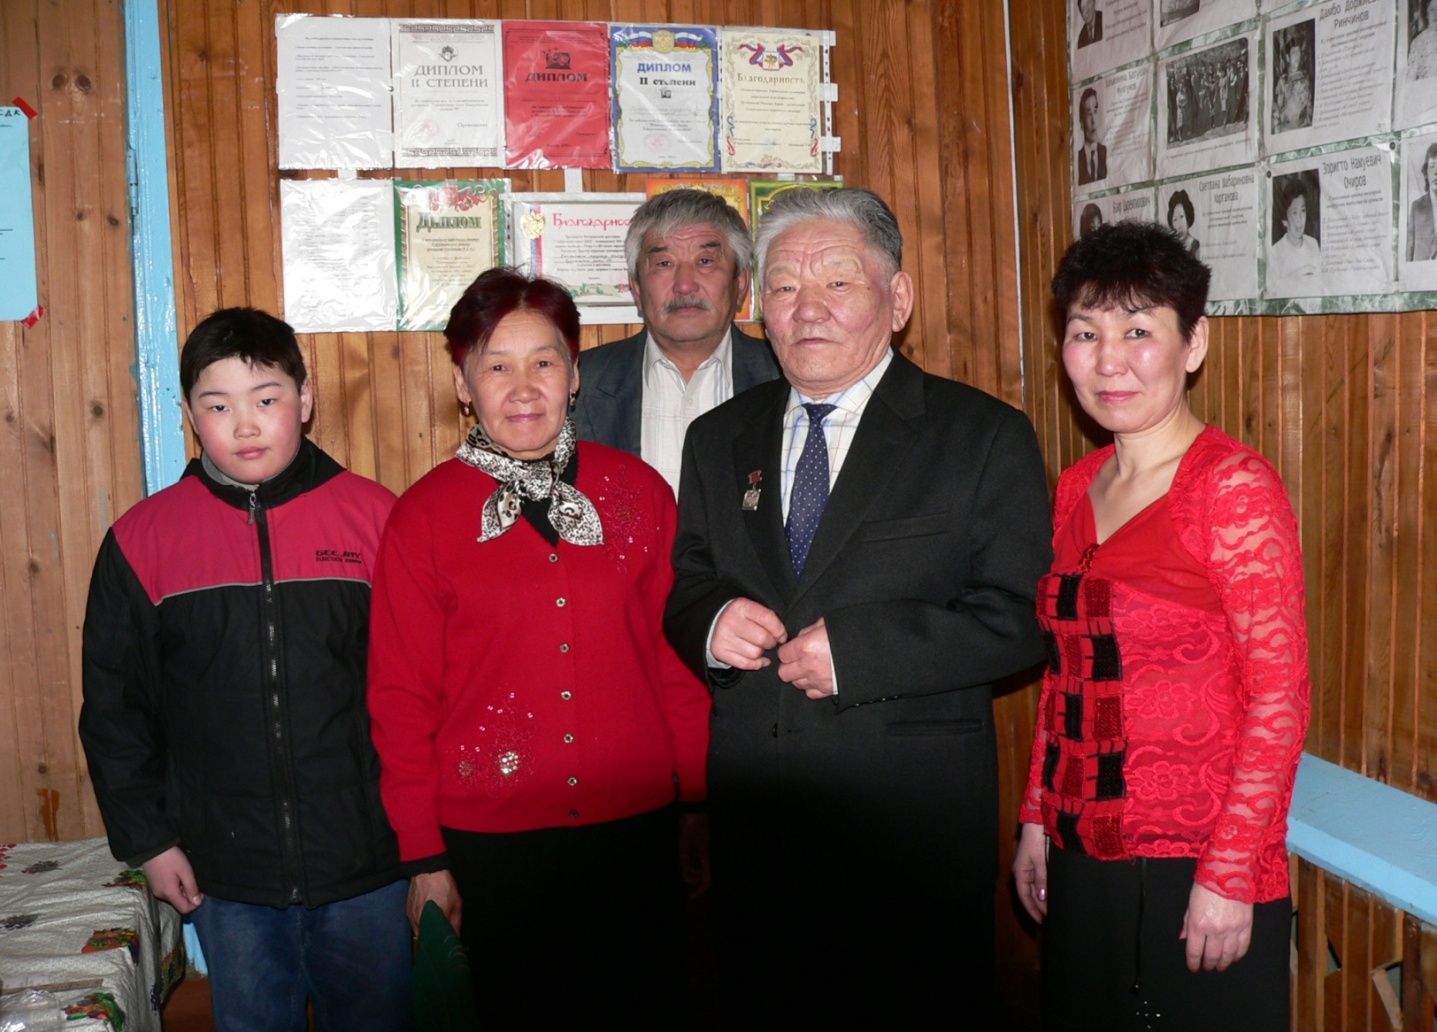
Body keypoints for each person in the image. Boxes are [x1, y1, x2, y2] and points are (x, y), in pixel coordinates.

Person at [664, 187, 1053, 1024]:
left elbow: (1020, 617)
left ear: (897, 298)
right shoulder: (717, 438)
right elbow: (688, 579)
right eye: (782, 286)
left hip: (906, 838)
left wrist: (863, 651)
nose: (806, 308)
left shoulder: (981, 435)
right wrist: (707, 622)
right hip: (760, 833)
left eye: (836, 281)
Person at [368, 268, 710, 1023]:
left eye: (544, 361)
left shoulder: (640, 494)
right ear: (464, 384)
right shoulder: (423, 518)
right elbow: (399, 698)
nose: (522, 387)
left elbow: (675, 666)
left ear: (575, 374)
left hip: (635, 832)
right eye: (496, 365)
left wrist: (696, 804)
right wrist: (424, 858)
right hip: (491, 847)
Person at [1013, 222, 1309, 1032]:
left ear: (1193, 343)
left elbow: (1278, 700)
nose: (1108, 361)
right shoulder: (1076, 485)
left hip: (1194, 863)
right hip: (1080, 851)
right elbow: (1063, 671)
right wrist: (1038, 814)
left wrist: (1230, 874)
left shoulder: (1233, 489)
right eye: (1085, 332)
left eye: (1138, 330)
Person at [79, 308, 410, 1032]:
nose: (247, 425)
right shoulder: (142, 540)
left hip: (368, 864)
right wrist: (149, 841)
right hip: (226, 875)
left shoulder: (378, 520)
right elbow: (114, 708)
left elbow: (421, 695)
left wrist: (428, 847)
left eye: (267, 399)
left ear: (306, 397)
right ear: (189, 415)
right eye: (218, 406)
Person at [573, 189, 779, 493]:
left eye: (706, 261)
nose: (684, 284)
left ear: (741, 285)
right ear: (637, 289)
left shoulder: (786, 379)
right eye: (664, 264)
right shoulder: (579, 384)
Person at [1268, 178, 1321, 296]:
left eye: (1303, 211)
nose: (1300, 219)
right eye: (1294, 213)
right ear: (1284, 221)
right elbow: (1272, 295)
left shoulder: (1313, 244)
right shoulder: (1275, 252)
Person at [1273, 35, 1312, 132]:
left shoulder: (1305, 77)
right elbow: (1279, 107)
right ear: (1287, 57)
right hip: (1288, 128)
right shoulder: (1283, 80)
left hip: (1304, 127)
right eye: (1294, 53)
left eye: (1298, 53)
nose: (1297, 57)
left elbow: (1309, 104)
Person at [1407, 141, 1437, 261]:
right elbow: (1409, 250)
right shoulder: (1416, 208)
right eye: (1432, 166)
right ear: (1426, 173)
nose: (1436, 172)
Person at [1077, 87, 1107, 184]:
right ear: (1081, 123)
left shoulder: (1105, 152)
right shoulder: (1077, 158)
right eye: (1089, 113)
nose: (1094, 121)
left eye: (1095, 111)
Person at [1168, 189, 1200, 258]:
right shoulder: (1172, 246)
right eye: (1175, 219)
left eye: (1181, 216)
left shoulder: (1194, 244)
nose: (1179, 225)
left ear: (1188, 216)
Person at [1410, 0, 1437, 79]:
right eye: (1432, 9)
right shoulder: (1417, 42)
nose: (1436, 14)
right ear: (1426, 13)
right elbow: (1411, 77)